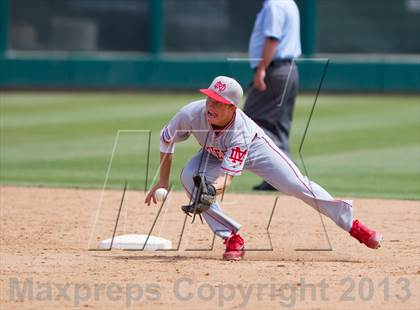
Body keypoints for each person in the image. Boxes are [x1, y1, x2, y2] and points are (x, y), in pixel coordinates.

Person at [144, 76, 382, 261]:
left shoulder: (241, 132)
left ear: (232, 108)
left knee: (297, 186)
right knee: (189, 175)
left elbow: (227, 178)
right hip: (213, 153)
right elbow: (166, 140)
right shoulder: (190, 114)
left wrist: (209, 191)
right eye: (209, 99)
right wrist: (163, 181)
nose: (210, 105)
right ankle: (232, 238)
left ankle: (354, 226)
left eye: (218, 102)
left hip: (257, 150)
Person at [243, 0, 301, 191]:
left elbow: (273, 38)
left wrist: (261, 69)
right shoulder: (288, 2)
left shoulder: (274, 5)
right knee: (278, 126)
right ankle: (280, 179)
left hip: (274, 71)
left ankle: (288, 176)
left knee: (249, 121)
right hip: (288, 69)